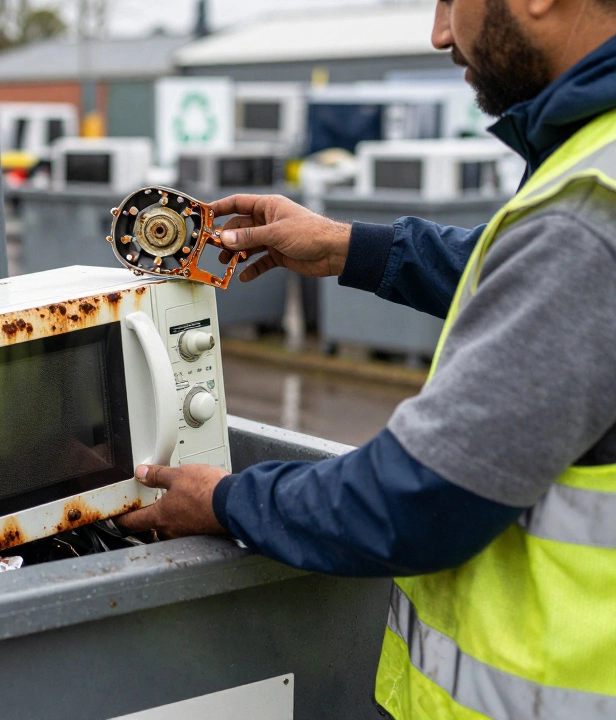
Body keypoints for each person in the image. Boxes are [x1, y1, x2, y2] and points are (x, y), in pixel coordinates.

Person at [114, 1, 616, 718]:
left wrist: (224, 501)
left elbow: (415, 500)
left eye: (450, 0)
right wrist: (352, 247)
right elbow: (522, 273)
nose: (439, 32)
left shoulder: (587, 214)